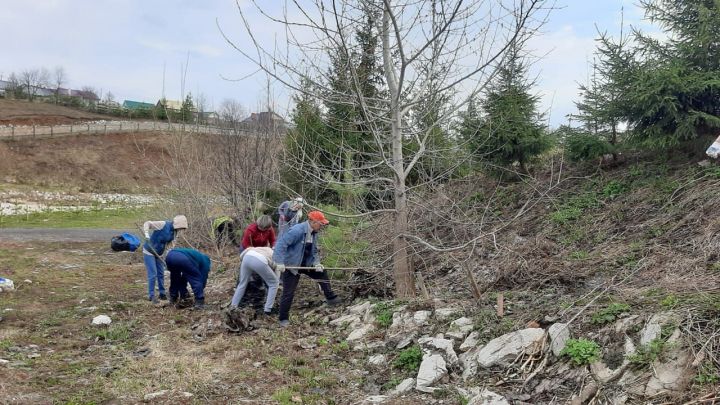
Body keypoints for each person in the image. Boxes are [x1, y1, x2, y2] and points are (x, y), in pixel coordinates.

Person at [273, 210, 341, 327]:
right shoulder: (297, 230)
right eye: (321, 224)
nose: (322, 226)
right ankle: (283, 319)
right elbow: (281, 244)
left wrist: (317, 263)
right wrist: (279, 262)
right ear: (313, 222)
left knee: (322, 273)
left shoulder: (314, 232)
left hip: (306, 263)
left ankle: (331, 298)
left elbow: (314, 251)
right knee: (288, 292)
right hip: (292, 265)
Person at [142, 215, 188, 303]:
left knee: (161, 273)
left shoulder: (175, 233)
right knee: (153, 274)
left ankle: (162, 293)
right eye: (181, 227)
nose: (181, 230)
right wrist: (147, 234)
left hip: (160, 253)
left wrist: (167, 259)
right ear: (177, 224)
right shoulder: (163, 224)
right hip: (149, 251)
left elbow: (169, 247)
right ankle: (151, 296)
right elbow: (147, 223)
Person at [229, 247, 279, 315]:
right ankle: (268, 310)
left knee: (242, 283)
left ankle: (233, 307)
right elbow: (276, 278)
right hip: (260, 260)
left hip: (247, 257)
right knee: (274, 283)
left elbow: (243, 254)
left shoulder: (265, 248)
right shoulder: (278, 257)